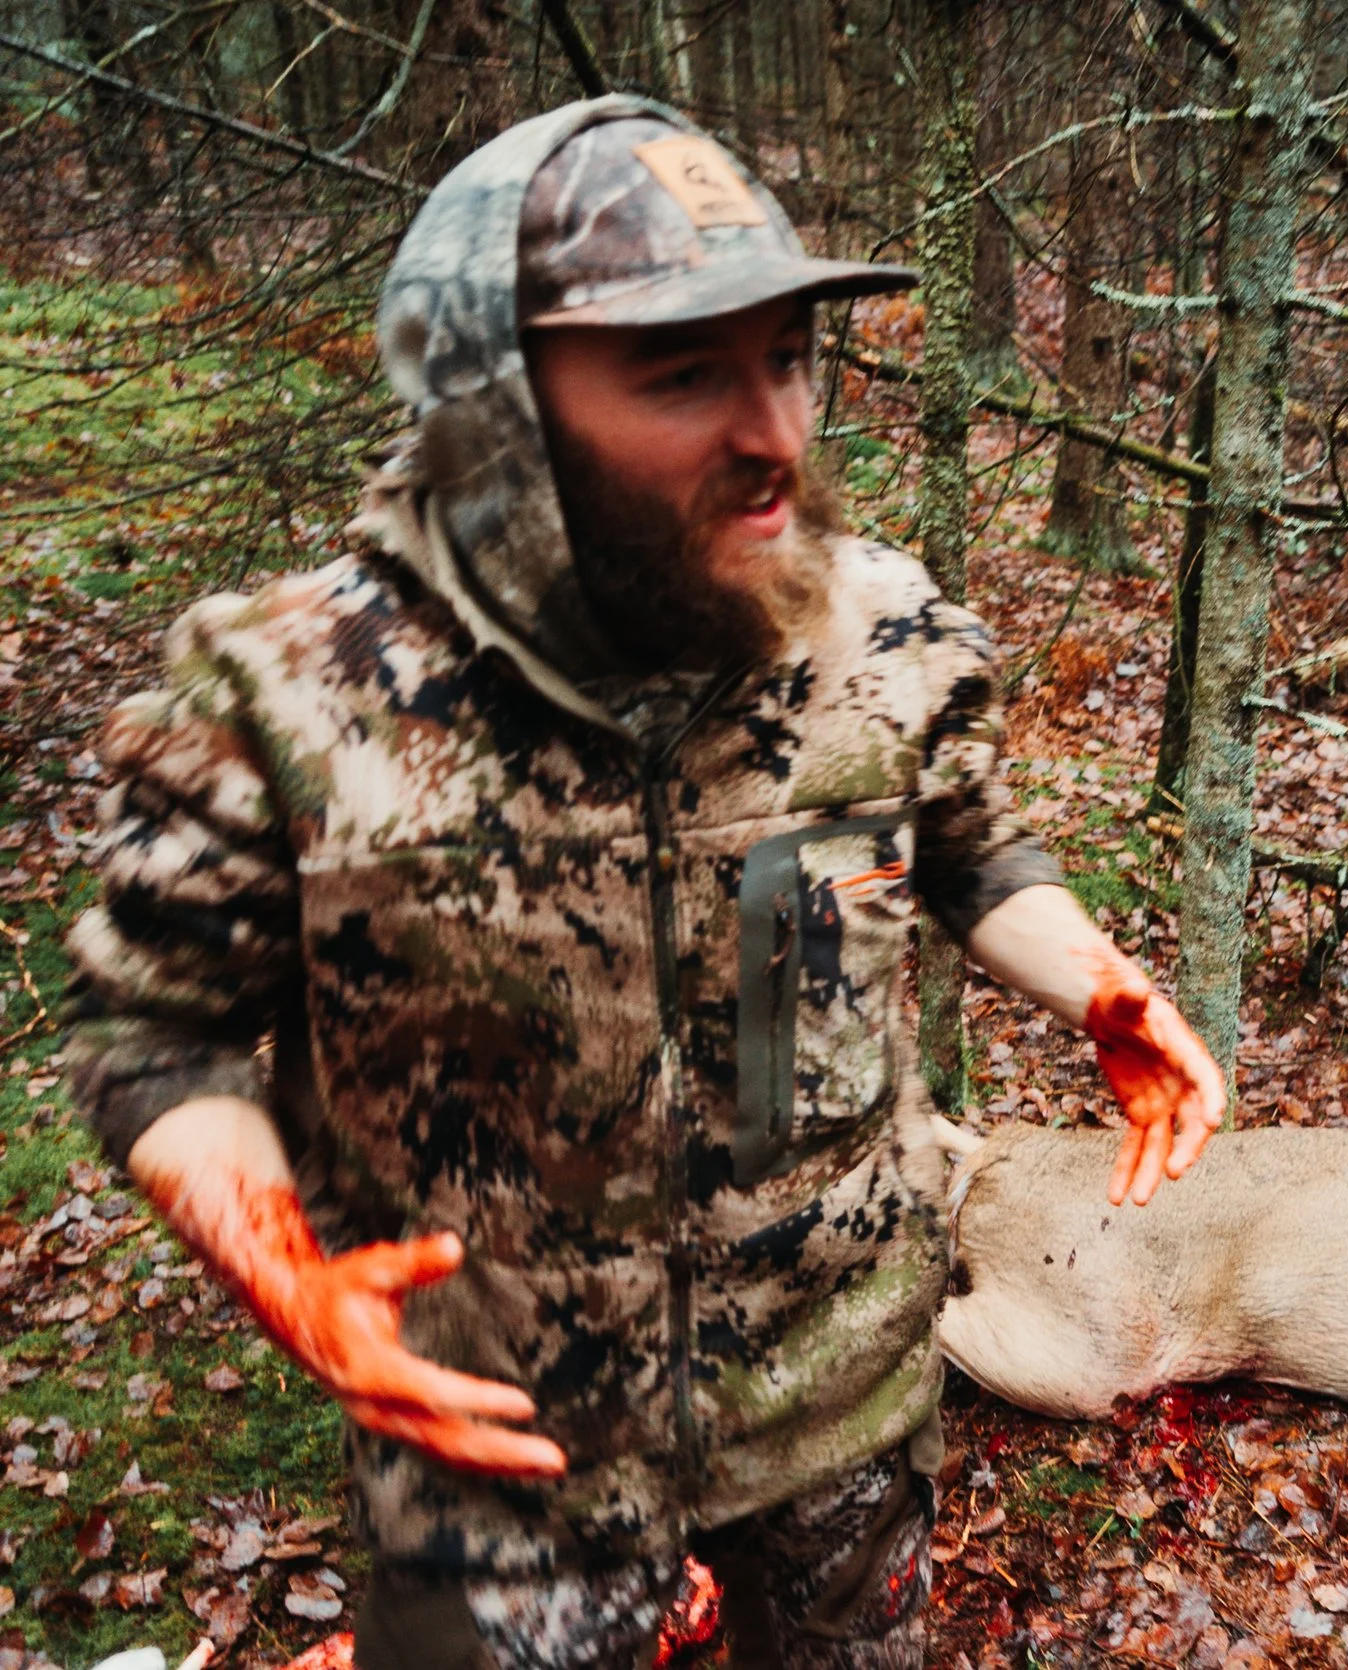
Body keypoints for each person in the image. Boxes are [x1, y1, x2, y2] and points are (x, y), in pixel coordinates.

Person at [62, 95, 1227, 1670]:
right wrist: (288, 1273)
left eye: (786, 359)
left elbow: (964, 844)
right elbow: (156, 1038)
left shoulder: (878, 629)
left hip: (840, 1401)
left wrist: (1097, 976)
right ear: (492, 400)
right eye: (684, 374)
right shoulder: (290, 695)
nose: (776, 437)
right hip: (504, 1451)